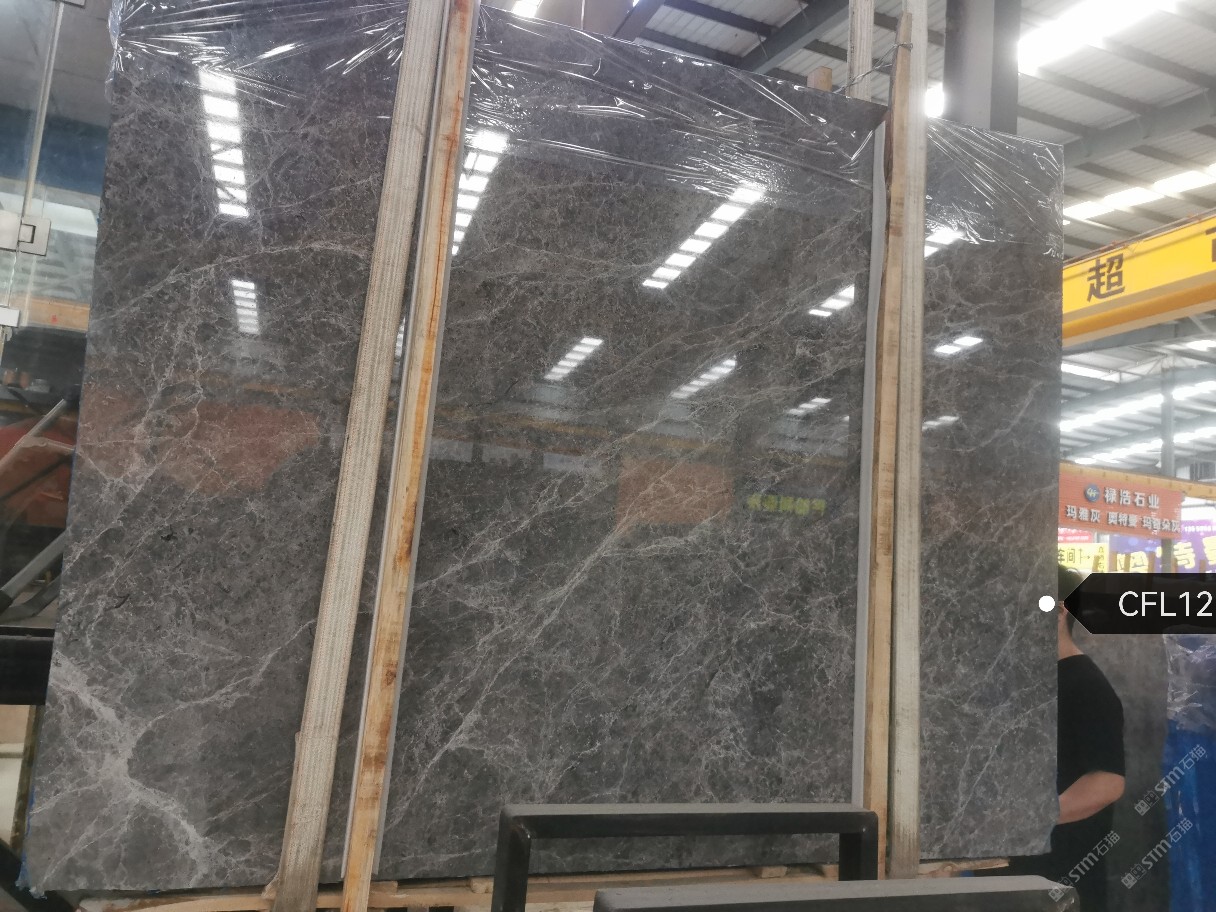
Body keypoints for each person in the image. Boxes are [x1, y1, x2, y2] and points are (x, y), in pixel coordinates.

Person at [1003, 565, 1126, 910]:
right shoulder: (1031, 682)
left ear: (1058, 612)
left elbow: (1107, 783)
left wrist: (1028, 820)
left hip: (1062, 880)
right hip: (1018, 873)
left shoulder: (1087, 687)